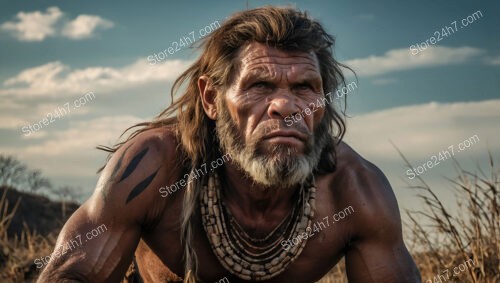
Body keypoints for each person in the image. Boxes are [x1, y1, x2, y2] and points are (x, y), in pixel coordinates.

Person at [38, 6, 421, 283]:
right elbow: (72, 274)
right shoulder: (153, 167)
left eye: (305, 87)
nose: (285, 106)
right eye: (260, 85)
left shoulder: (355, 190)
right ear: (211, 99)